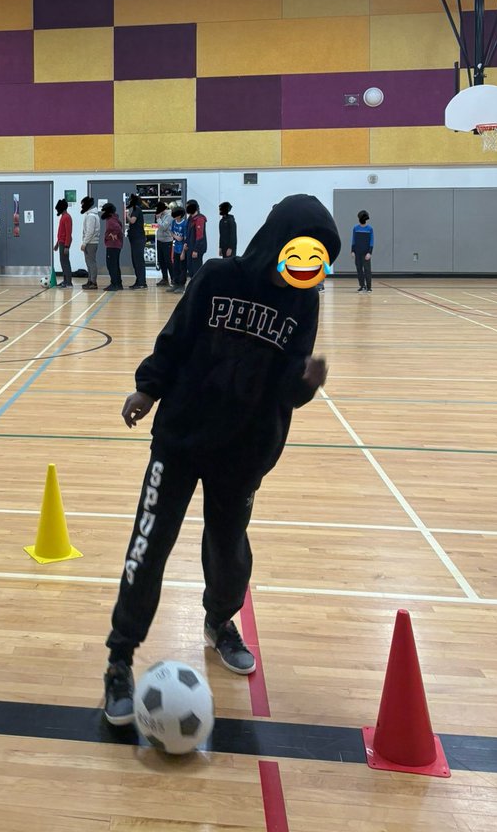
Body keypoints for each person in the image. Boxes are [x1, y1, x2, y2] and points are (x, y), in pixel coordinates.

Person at [101, 195, 340, 725]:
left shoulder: (304, 301)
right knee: (148, 546)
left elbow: (287, 384)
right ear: (276, 242)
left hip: (244, 449)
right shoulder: (216, 277)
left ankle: (219, 621)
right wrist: (148, 387)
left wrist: (305, 384)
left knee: (229, 549)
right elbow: (176, 337)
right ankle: (120, 657)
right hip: (181, 437)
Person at [126, 193, 147, 290]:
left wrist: (126, 215)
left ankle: (142, 282)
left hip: (138, 239)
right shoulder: (136, 210)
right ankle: (139, 281)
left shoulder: (136, 210)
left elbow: (132, 221)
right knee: (135, 261)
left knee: (138, 261)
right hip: (135, 239)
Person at [101, 202, 124, 291]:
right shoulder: (114, 218)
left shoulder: (111, 220)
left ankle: (114, 284)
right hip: (116, 245)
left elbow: (118, 228)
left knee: (111, 265)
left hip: (112, 245)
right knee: (115, 265)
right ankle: (118, 283)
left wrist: (112, 235)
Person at [80, 197, 100, 290]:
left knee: (91, 263)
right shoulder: (91, 215)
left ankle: (93, 282)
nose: (81, 206)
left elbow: (90, 231)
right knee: (89, 262)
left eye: (82, 204)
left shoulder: (91, 216)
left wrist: (84, 243)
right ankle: (90, 280)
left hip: (91, 243)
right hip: (91, 242)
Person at [351, 210, 374, 293]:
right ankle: (362, 286)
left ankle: (369, 287)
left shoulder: (370, 229)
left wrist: (369, 252)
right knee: (359, 270)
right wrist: (352, 251)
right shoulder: (355, 228)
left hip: (366, 253)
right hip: (357, 252)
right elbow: (353, 240)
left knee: (367, 270)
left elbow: (371, 241)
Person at [185, 200, 207, 279]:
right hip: (190, 247)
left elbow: (199, 236)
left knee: (196, 270)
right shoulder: (190, 218)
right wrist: (186, 243)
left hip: (197, 248)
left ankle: (198, 285)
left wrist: (196, 250)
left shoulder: (200, 219)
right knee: (190, 269)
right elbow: (188, 232)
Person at [54, 198, 73, 288]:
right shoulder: (63, 216)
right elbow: (61, 233)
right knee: (63, 262)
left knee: (65, 262)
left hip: (65, 243)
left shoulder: (67, 217)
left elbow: (68, 233)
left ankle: (69, 282)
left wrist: (67, 246)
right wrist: (57, 244)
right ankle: (65, 280)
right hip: (61, 242)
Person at [169, 205, 188, 294]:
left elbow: (184, 239)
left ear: (179, 215)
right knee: (175, 267)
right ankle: (175, 284)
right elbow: (172, 233)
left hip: (182, 249)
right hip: (176, 248)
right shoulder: (173, 222)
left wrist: (183, 252)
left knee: (182, 268)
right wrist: (176, 237)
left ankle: (181, 286)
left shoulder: (185, 224)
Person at [154, 201, 173, 287]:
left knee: (168, 261)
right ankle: (165, 279)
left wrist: (158, 219)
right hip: (160, 240)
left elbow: (163, 227)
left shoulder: (169, 216)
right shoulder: (161, 215)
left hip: (167, 241)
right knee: (161, 260)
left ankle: (173, 278)